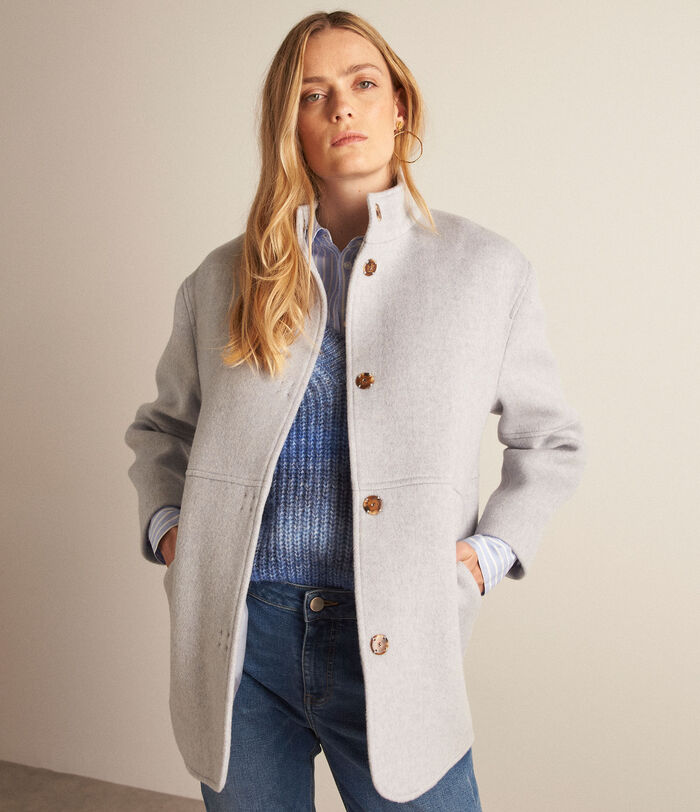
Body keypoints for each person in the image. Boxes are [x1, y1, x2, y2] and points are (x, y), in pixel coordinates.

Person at [124, 10, 586, 811]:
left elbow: (549, 440)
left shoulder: (485, 270)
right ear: (291, 127)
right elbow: (162, 429)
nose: (341, 106)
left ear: (398, 105)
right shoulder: (223, 278)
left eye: (363, 83)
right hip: (242, 641)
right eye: (313, 94)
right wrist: (173, 534)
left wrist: (486, 555)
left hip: (398, 638)